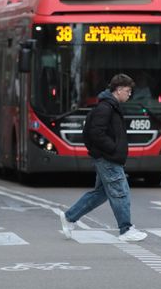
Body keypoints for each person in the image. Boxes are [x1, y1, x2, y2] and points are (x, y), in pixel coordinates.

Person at [57, 74, 147, 242]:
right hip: (108, 159)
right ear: (118, 90)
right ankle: (125, 229)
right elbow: (95, 133)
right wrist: (112, 150)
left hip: (107, 158)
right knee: (121, 192)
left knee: (100, 193)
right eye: (128, 91)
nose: (129, 94)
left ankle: (70, 217)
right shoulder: (105, 108)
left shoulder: (110, 107)